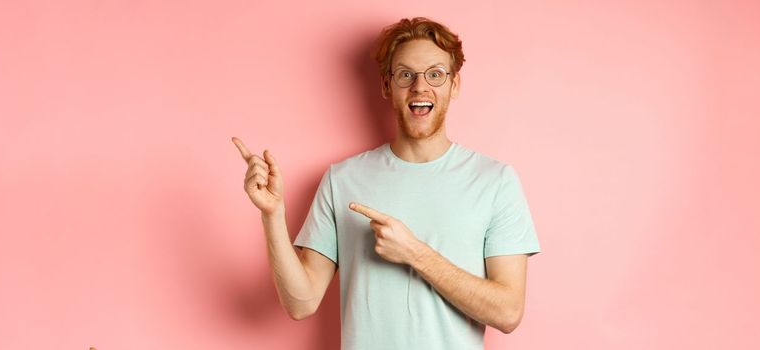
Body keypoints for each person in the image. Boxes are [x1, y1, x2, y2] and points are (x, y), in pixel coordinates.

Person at [231, 17, 540, 350]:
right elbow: (300, 303)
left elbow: (508, 313)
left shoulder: (494, 181)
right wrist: (272, 215)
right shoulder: (342, 179)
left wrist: (415, 254)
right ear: (386, 86)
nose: (420, 87)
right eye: (406, 75)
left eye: (435, 74)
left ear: (455, 85)